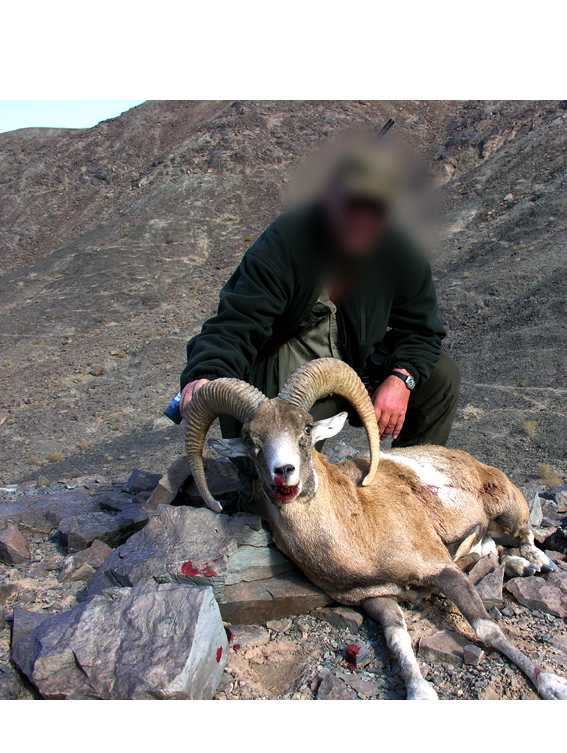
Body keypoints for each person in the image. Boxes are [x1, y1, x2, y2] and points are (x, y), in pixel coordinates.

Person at [179, 145, 460, 514]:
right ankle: (272, 499)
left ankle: (411, 499)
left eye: (374, 209)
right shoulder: (286, 242)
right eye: (352, 204)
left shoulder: (396, 251)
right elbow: (236, 321)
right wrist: (207, 374)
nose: (362, 218)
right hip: (283, 388)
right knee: (279, 510)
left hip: (352, 373)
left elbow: (422, 330)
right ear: (330, 197)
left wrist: (401, 378)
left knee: (440, 376)